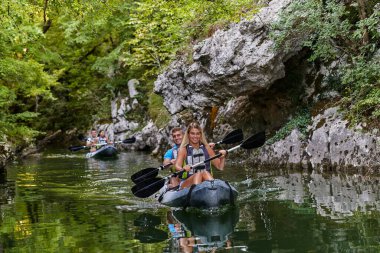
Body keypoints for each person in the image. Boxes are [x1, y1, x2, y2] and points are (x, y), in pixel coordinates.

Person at [175, 122, 227, 189]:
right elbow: (177, 166)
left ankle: (213, 189)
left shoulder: (207, 148)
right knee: (198, 174)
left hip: (205, 179)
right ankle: (197, 191)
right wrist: (183, 168)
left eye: (197, 134)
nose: (195, 136)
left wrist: (222, 158)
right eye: (192, 133)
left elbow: (220, 167)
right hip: (188, 182)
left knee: (204, 172)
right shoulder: (183, 149)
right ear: (188, 134)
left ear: (200, 134)